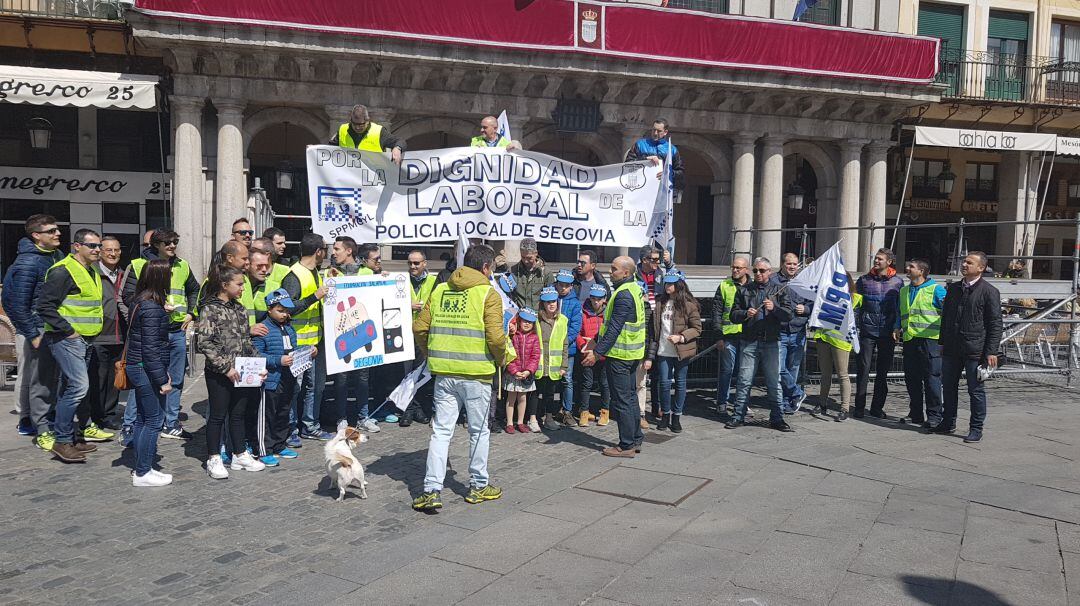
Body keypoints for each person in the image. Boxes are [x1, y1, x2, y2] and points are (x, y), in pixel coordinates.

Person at [411, 244, 513, 511]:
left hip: (444, 373)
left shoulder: (440, 290)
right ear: (486, 268)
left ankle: (431, 490)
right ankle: (478, 486)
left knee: (441, 432)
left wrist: (432, 354)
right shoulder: (488, 294)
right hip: (477, 375)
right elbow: (495, 337)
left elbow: (419, 327)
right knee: (479, 431)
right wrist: (502, 358)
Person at [120, 228, 200, 443]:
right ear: (156, 245)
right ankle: (129, 425)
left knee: (176, 379)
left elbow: (194, 290)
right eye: (168, 242)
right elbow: (128, 296)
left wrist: (191, 313)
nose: (172, 246)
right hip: (152, 331)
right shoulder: (139, 265)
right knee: (143, 381)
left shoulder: (182, 265)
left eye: (175, 242)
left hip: (176, 330)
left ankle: (171, 423)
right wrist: (154, 306)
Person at [35, 228, 105, 462]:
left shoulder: (90, 270)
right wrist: (69, 331)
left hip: (85, 339)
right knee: (78, 387)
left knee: (70, 388)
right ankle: (62, 441)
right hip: (66, 339)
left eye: (98, 245)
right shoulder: (63, 270)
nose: (97, 250)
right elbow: (44, 306)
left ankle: (72, 437)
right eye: (92, 246)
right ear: (77, 246)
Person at [198, 265, 266, 479]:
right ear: (224, 285)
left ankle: (239, 453)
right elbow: (205, 343)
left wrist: (259, 365)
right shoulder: (210, 309)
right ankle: (213, 457)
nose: (242, 288)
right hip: (219, 373)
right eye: (239, 284)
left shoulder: (240, 309)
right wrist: (225, 367)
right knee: (218, 415)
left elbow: (247, 342)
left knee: (238, 414)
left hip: (242, 371)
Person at [930, 252, 1002, 443]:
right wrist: (942, 342)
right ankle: (948, 421)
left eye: (969, 262)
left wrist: (991, 351)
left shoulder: (989, 291)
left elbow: (995, 323)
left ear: (981, 268)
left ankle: (976, 428)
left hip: (975, 349)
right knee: (949, 387)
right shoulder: (954, 289)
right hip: (952, 347)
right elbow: (946, 318)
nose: (964, 264)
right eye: (964, 261)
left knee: (975, 390)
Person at [2, 214, 63, 437]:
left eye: (57, 229)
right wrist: (31, 333)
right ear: (37, 235)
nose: (58, 233)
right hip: (32, 329)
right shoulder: (28, 262)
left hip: (51, 326)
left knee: (48, 375)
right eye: (51, 231)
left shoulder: (56, 256)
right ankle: (26, 417)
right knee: (29, 375)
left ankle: (46, 412)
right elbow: (15, 302)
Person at [583, 256, 645, 457]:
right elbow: (610, 325)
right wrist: (595, 340)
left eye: (614, 268)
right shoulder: (633, 288)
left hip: (620, 355)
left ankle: (626, 445)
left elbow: (614, 329)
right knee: (630, 397)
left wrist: (597, 353)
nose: (610, 272)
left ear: (626, 272)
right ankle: (636, 438)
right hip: (631, 354)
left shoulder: (623, 294)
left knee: (622, 401)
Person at [724, 257, 795, 433]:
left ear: (769, 272)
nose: (758, 274)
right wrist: (744, 313)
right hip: (750, 340)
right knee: (744, 380)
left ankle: (777, 418)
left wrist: (774, 309)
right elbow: (733, 315)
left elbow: (789, 315)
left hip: (771, 341)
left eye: (762, 271)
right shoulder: (745, 290)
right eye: (755, 270)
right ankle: (738, 415)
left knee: (774, 382)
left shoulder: (779, 289)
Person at [124, 259, 174, 486]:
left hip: (139, 366)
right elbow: (151, 348)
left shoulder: (140, 302)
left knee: (143, 418)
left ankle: (143, 467)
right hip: (145, 367)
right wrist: (162, 379)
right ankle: (143, 471)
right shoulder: (151, 307)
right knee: (154, 420)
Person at [281, 234, 334, 441]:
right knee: (295, 389)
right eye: (325, 250)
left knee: (315, 387)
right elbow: (287, 308)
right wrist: (314, 297)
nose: (327, 253)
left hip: (315, 341)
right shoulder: (294, 275)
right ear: (318, 252)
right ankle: (291, 429)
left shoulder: (315, 273)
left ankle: (310, 426)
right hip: (297, 343)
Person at [325, 236, 377, 432]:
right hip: (342, 336)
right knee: (341, 380)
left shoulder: (367, 272)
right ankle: (342, 418)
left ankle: (363, 417)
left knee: (363, 379)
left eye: (337, 249)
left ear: (349, 251)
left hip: (361, 335)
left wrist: (384, 280)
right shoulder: (331, 273)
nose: (333, 252)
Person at [79, 236, 124, 439]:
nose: (113, 254)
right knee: (97, 379)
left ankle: (110, 415)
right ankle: (95, 417)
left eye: (116, 250)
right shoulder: (92, 273)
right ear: (100, 252)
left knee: (116, 378)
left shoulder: (124, 274)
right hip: (98, 335)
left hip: (120, 335)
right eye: (108, 250)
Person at [251, 288, 302, 465]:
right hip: (270, 380)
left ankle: (279, 444)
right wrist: (277, 360)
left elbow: (293, 349)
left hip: (288, 377)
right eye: (280, 311)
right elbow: (257, 355)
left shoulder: (289, 327)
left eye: (286, 311)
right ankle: (264, 449)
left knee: (283, 412)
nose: (284, 314)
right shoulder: (263, 329)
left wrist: (306, 353)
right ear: (269, 309)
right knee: (267, 415)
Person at [893, 259, 946, 428]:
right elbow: (900, 312)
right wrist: (896, 327)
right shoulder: (904, 291)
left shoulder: (936, 289)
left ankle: (934, 416)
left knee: (932, 379)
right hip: (910, 339)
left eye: (912, 267)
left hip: (930, 340)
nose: (907, 268)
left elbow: (948, 313)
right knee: (912, 379)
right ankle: (915, 414)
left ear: (922, 271)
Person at [646, 270, 701, 433]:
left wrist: (681, 337)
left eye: (671, 283)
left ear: (679, 285)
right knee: (663, 383)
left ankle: (676, 416)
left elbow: (697, 328)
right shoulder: (660, 302)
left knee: (680, 383)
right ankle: (665, 415)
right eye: (666, 283)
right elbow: (654, 328)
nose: (667, 286)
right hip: (663, 349)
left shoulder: (689, 305)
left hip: (681, 350)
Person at [854, 248, 903, 419]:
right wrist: (856, 326)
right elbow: (856, 304)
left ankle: (877, 408)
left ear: (889, 262)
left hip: (887, 332)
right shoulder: (864, 280)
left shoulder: (897, 282)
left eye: (880, 259)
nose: (876, 261)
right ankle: (859, 407)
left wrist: (896, 327)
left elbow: (899, 308)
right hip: (867, 331)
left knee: (883, 372)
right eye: (876, 258)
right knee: (863, 369)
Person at [814, 273, 862, 421]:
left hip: (840, 341)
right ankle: (822, 403)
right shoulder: (826, 295)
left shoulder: (855, 298)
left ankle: (844, 408)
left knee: (842, 375)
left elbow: (853, 320)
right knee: (825, 375)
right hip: (824, 337)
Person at [772, 253, 812, 414]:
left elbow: (813, 302)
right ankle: (797, 393)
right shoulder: (773, 280)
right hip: (780, 331)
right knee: (779, 368)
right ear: (782, 264)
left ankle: (789, 401)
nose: (792, 267)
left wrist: (806, 309)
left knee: (793, 367)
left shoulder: (804, 281)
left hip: (798, 331)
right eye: (789, 264)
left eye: (795, 264)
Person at [401, 250, 437, 427]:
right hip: (404, 333)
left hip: (423, 334)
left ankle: (419, 408)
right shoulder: (400, 280)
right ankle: (408, 409)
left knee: (421, 373)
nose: (413, 266)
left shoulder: (433, 281)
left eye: (416, 263)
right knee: (406, 374)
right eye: (410, 263)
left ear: (424, 263)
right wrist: (407, 306)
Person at [713, 256, 749, 415]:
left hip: (747, 335)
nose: (735, 270)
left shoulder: (752, 286)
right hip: (728, 335)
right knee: (727, 371)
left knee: (745, 373)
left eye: (738, 268)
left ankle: (742, 403)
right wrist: (718, 336)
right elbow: (716, 312)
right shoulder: (724, 285)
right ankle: (722, 402)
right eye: (733, 267)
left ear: (746, 270)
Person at [533, 286, 569, 431]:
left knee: (550, 394)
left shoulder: (562, 320)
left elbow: (565, 344)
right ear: (543, 304)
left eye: (553, 301)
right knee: (535, 393)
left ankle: (548, 418)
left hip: (554, 365)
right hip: (539, 364)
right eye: (548, 302)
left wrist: (564, 366)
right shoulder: (536, 320)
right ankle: (534, 418)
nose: (551, 304)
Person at [635, 245, 664, 426]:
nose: (657, 263)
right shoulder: (635, 274)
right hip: (642, 323)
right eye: (654, 259)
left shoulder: (660, 274)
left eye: (658, 259)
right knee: (640, 376)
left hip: (658, 321)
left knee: (658, 371)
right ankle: (638, 412)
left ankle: (656, 406)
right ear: (644, 260)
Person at [576, 284, 611, 427]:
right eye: (593, 298)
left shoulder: (608, 313)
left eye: (599, 299)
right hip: (587, 354)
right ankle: (584, 412)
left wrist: (600, 349)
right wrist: (583, 347)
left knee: (604, 384)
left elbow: (609, 333)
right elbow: (577, 332)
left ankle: (605, 412)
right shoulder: (582, 312)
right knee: (586, 383)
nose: (596, 302)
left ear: (604, 299)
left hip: (603, 354)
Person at [625, 118, 685, 196]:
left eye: (659, 131)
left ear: (665, 132)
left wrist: (668, 173)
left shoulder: (672, 149)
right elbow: (627, 164)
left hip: (663, 192)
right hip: (641, 190)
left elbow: (680, 173)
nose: (655, 133)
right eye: (654, 130)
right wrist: (645, 159)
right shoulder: (640, 144)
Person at [329, 104, 405, 165]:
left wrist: (397, 149)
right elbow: (329, 149)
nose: (357, 127)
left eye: (361, 125)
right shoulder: (342, 130)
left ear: (368, 121)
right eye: (354, 124)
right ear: (351, 121)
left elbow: (400, 141)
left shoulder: (378, 132)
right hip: (348, 177)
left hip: (372, 177)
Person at [553, 269, 582, 425]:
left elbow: (575, 327)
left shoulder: (575, 303)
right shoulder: (551, 299)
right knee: (552, 379)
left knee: (567, 379)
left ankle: (567, 411)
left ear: (571, 286)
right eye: (560, 285)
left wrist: (564, 342)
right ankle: (551, 410)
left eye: (566, 285)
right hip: (551, 348)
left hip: (568, 348)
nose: (563, 288)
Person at [504, 308, 540, 433]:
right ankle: (509, 423)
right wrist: (514, 371)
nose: (527, 324)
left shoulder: (534, 338)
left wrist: (529, 371)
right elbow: (509, 355)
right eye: (524, 321)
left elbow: (535, 356)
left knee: (523, 398)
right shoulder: (513, 336)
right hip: (513, 374)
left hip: (525, 374)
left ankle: (520, 421)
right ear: (519, 321)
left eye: (530, 322)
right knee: (511, 398)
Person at [509, 237, 549, 310]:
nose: (526, 261)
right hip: (519, 314)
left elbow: (550, 298)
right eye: (523, 257)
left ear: (536, 253)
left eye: (529, 258)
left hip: (538, 314)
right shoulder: (513, 271)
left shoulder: (545, 272)